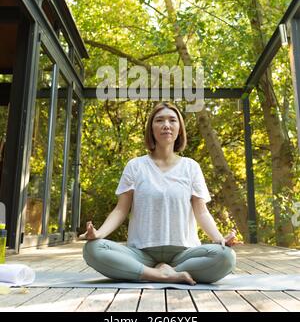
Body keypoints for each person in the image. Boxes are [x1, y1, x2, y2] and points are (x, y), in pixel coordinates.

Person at [80, 102, 237, 285]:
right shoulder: (135, 166)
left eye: (172, 120)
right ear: (151, 129)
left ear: (179, 128)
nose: (166, 125)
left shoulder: (191, 167)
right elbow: (121, 210)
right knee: (93, 249)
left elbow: (201, 212)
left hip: (184, 254)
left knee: (226, 257)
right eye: (159, 120)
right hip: (141, 253)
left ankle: (166, 271)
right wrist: (98, 234)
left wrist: (219, 239)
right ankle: (161, 275)